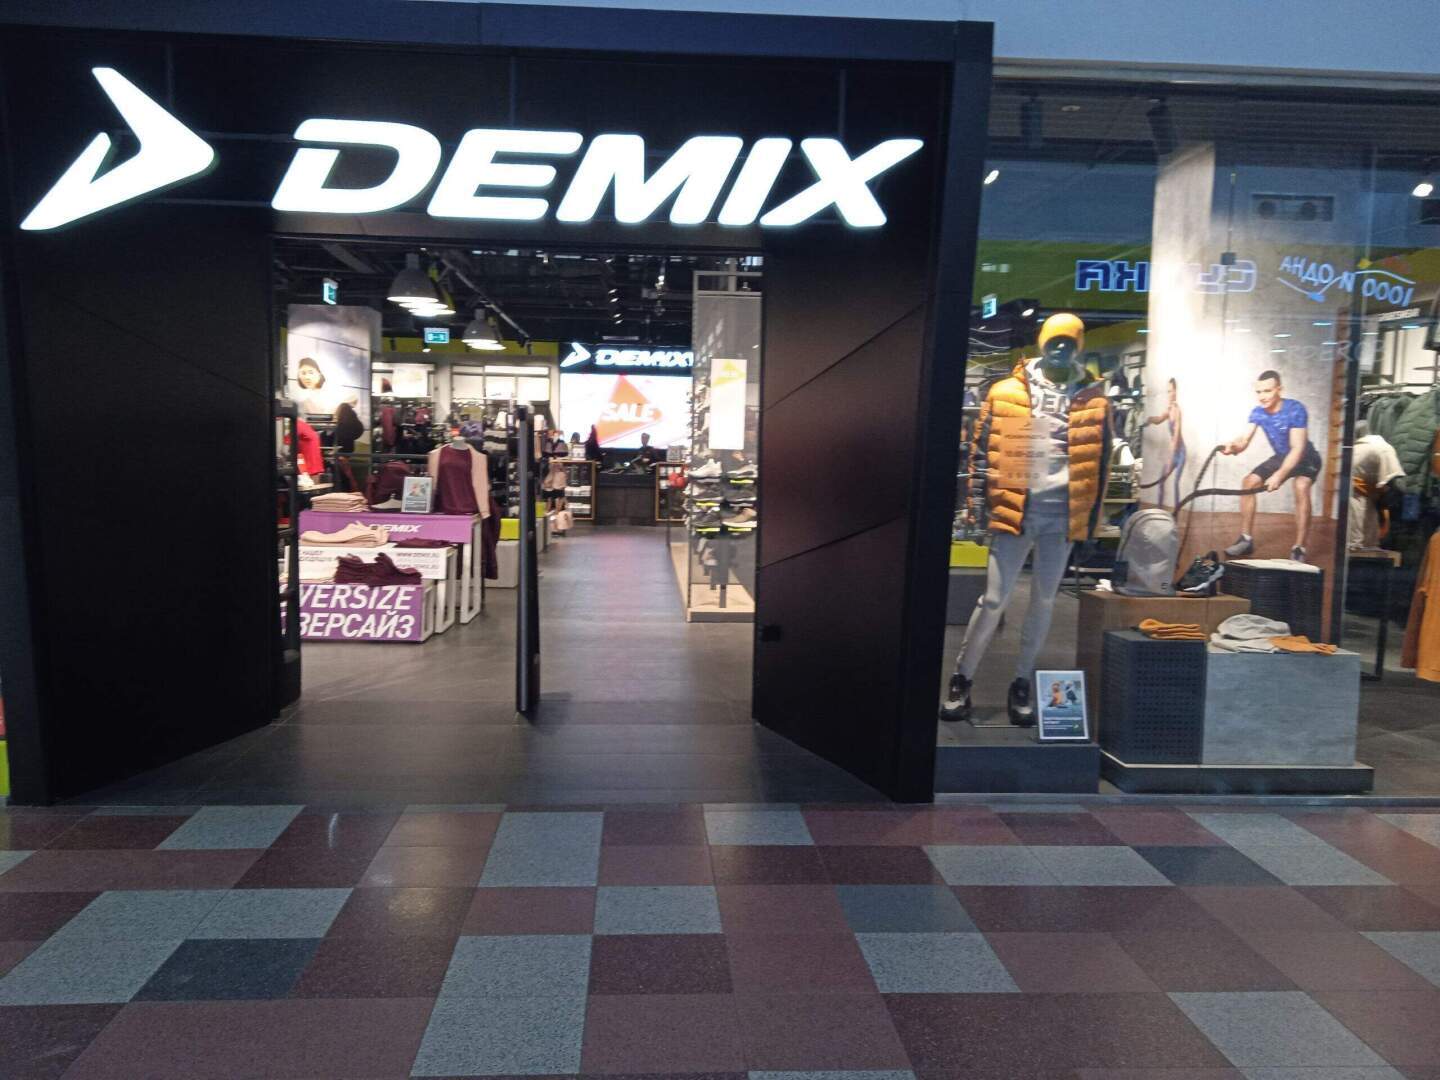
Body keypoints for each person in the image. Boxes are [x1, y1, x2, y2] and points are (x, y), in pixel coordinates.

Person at [1220, 369, 1321, 562]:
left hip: (1306, 457)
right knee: (1249, 482)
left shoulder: (1295, 409)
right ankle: (1246, 540)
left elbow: (1298, 448)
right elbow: (1244, 440)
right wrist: (1233, 446)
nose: (1262, 396)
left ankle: (1299, 547)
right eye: (1259, 392)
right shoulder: (1258, 412)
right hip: (1283, 456)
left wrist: (1280, 475)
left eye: (1267, 391)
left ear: (1279, 390)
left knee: (1300, 486)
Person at [1145, 377, 1185, 511]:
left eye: (1171, 391)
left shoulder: (1177, 411)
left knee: (1176, 483)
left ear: (1176, 391)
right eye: (1168, 391)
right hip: (1174, 452)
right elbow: (1159, 419)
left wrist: (1169, 461)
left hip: (1180, 453)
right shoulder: (1169, 409)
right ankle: (1159, 511)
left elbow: (1176, 437)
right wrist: (1150, 419)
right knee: (1161, 481)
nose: (1170, 394)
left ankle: (1176, 515)